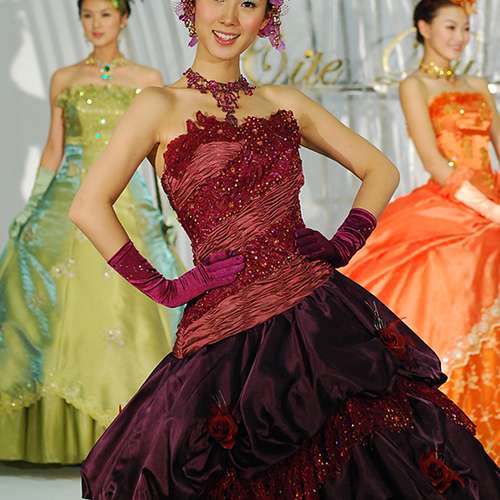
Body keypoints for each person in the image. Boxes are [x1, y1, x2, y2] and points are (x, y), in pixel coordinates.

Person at [71, 0, 499, 497]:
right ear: (192, 6)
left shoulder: (283, 100)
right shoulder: (157, 105)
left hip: (317, 312)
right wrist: (165, 289)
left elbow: (381, 169)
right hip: (226, 330)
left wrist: (344, 242)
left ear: (266, 18)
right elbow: (88, 206)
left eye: (248, 4)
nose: (229, 18)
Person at [0, 0, 182, 465]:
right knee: (50, 306)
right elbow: (54, 146)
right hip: (65, 200)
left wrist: (170, 209)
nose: (96, 23)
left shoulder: (147, 79)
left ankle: (131, 429)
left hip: (127, 200)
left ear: (124, 18)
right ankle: (55, 433)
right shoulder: (64, 78)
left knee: (126, 305)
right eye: (87, 15)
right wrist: (32, 206)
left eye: (105, 14)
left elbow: (156, 151)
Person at [344, 0, 499, 462]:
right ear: (424, 28)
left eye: (466, 29)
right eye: (451, 27)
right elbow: (434, 161)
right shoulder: (414, 85)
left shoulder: (478, 84)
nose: (459, 38)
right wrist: (490, 211)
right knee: (477, 257)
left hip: (493, 195)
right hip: (453, 201)